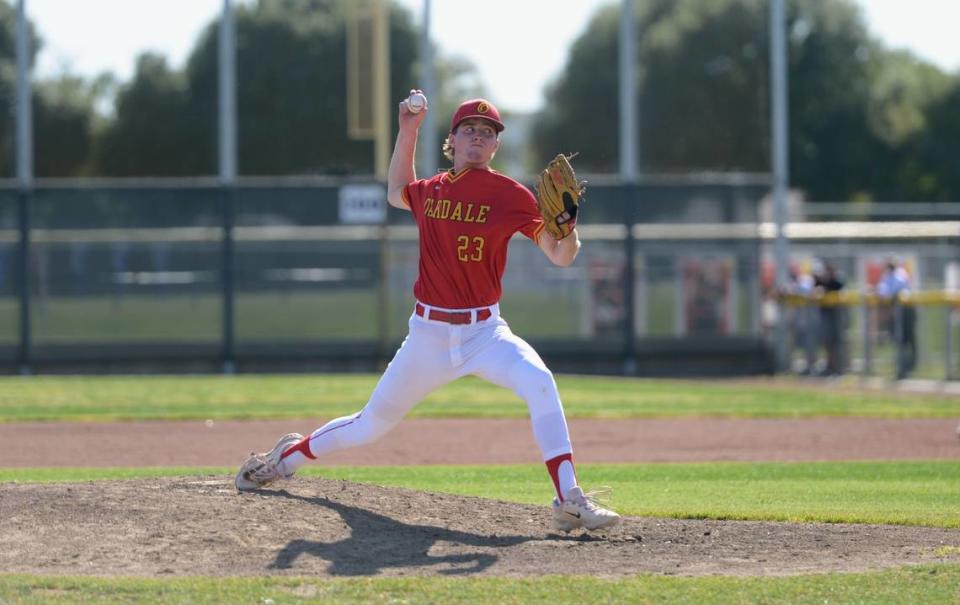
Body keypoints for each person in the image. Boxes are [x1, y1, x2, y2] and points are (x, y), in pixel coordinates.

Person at [235, 92, 621, 533]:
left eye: (488, 132)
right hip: (428, 335)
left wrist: (569, 230)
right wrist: (408, 128)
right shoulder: (433, 190)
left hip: (485, 333)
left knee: (539, 382)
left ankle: (569, 499)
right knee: (369, 427)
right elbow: (397, 192)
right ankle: (286, 458)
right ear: (452, 140)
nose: (479, 137)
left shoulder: (512, 195)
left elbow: (560, 256)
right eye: (470, 130)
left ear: (495, 146)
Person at [875, 259, 917, 379]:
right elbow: (881, 290)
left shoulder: (900, 274)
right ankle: (901, 368)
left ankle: (908, 368)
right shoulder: (887, 276)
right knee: (898, 341)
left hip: (906, 313)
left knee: (908, 341)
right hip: (895, 313)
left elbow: (895, 291)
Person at [813, 260, 847, 376]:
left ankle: (839, 367)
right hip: (827, 318)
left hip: (838, 319)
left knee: (838, 343)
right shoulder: (822, 282)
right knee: (827, 342)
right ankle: (830, 366)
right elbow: (816, 286)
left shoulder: (837, 282)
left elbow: (838, 286)